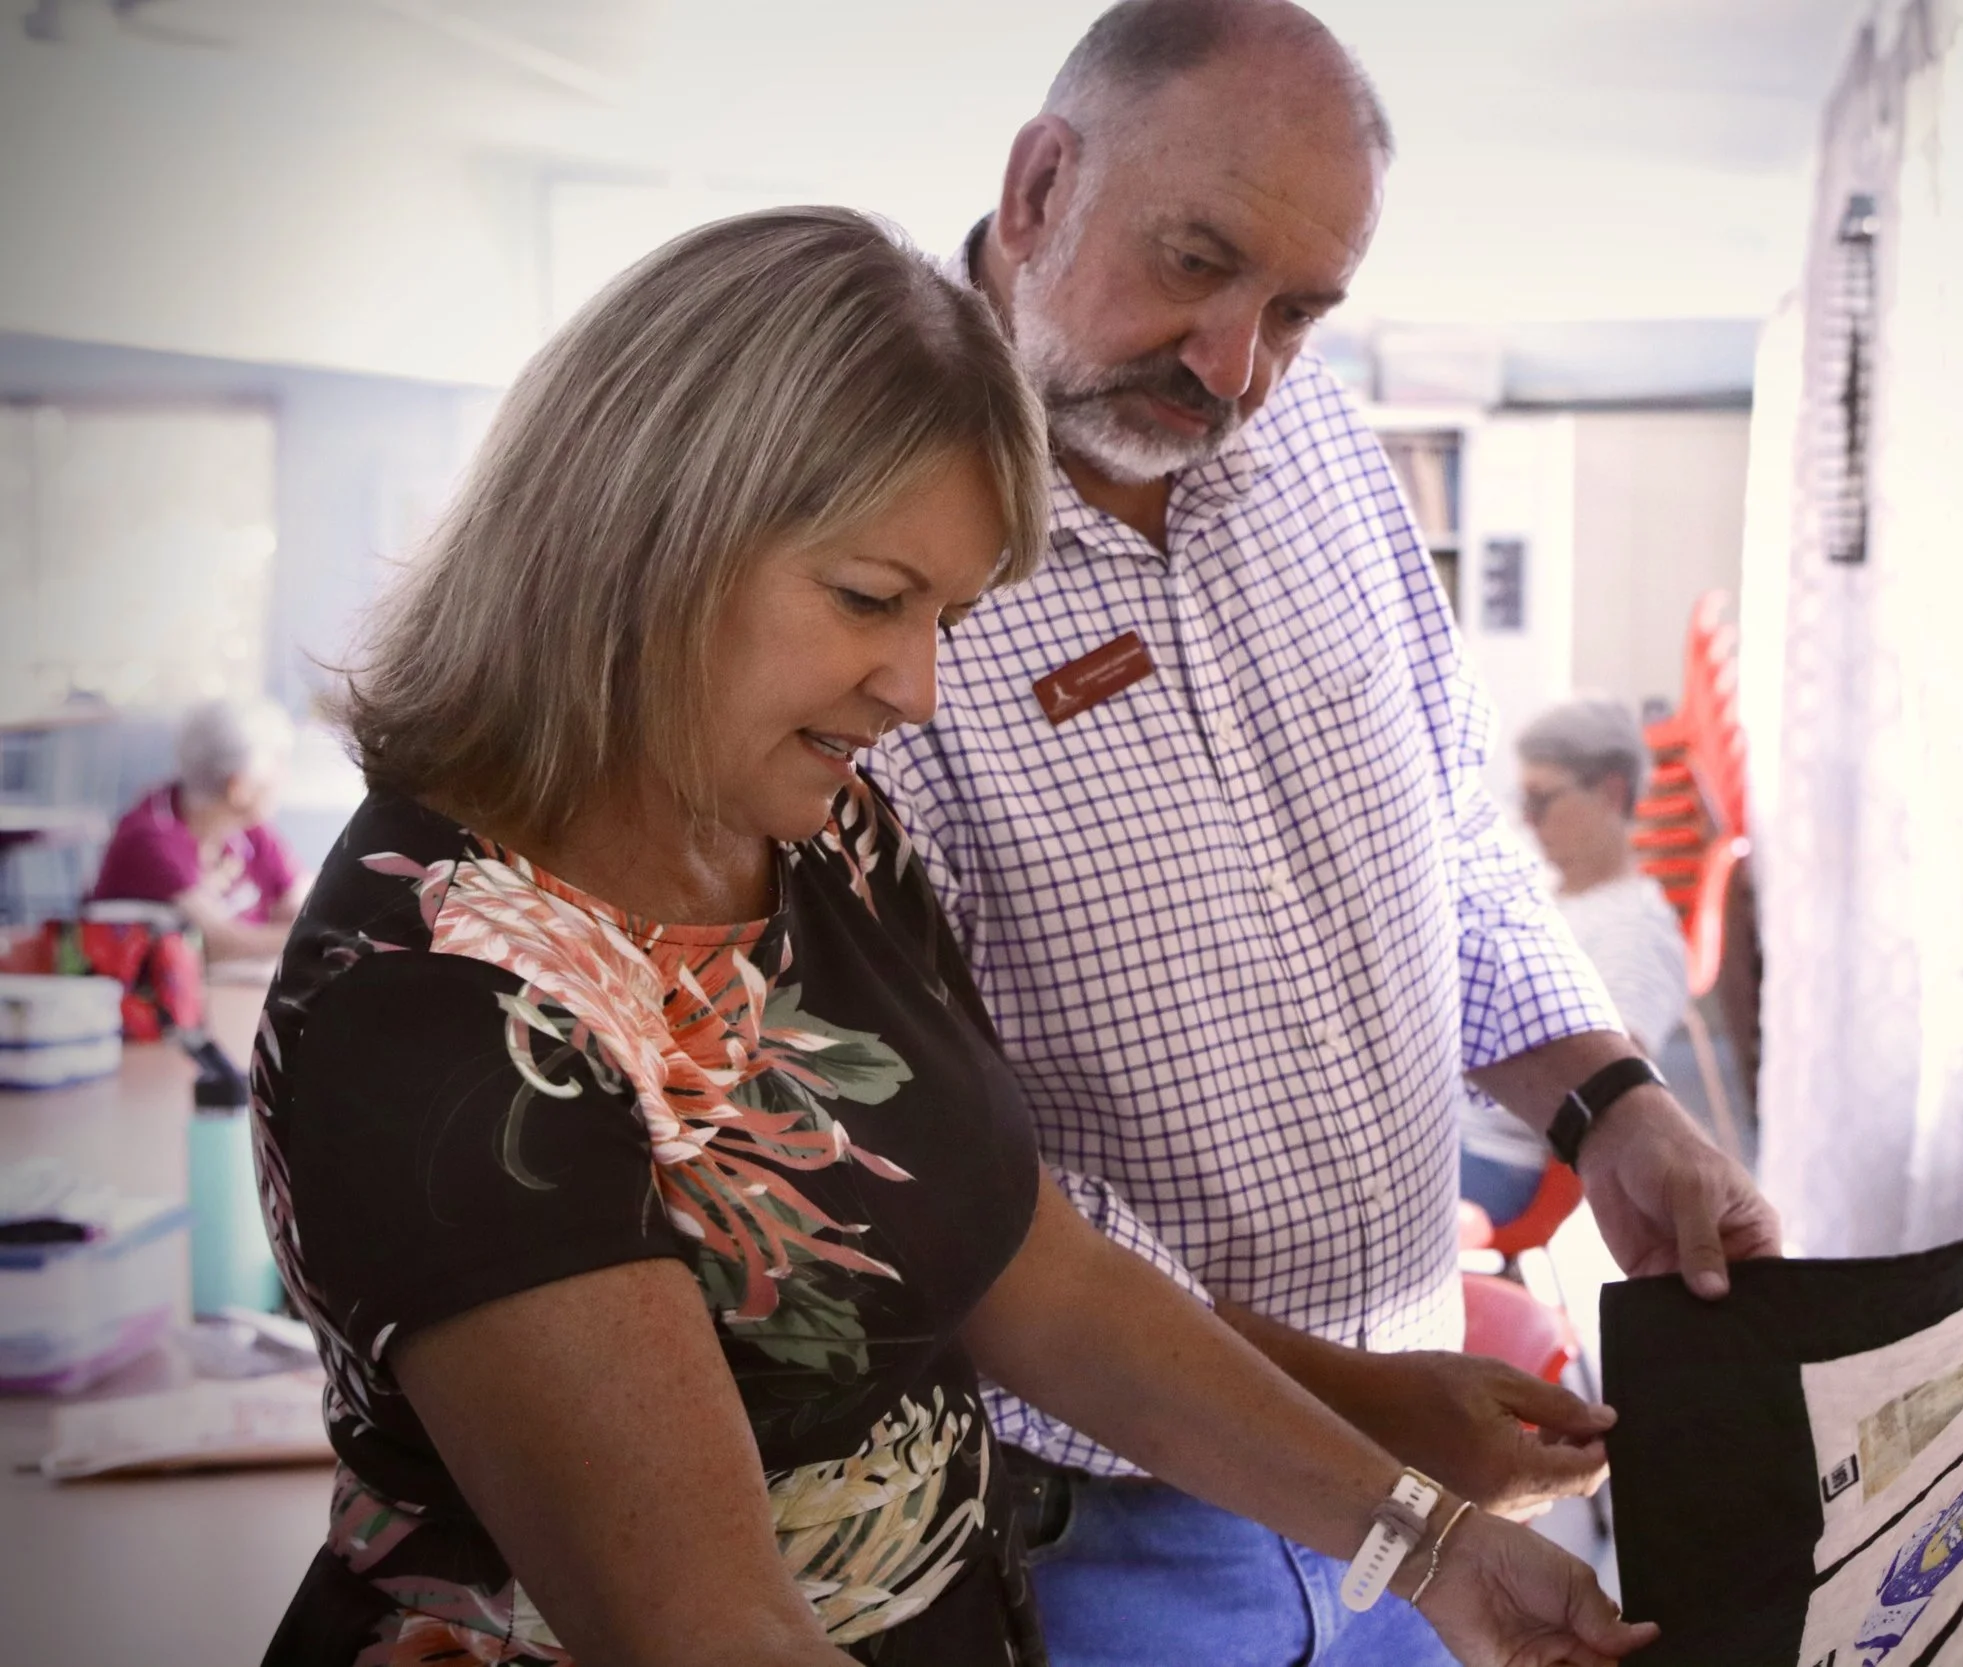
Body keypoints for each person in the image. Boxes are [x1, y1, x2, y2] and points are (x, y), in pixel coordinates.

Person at [252, 208, 1650, 1667]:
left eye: (950, 618)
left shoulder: (817, 835)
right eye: (870, 599)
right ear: (642, 538)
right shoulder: (438, 1003)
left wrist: (1424, 1542)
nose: (916, 688)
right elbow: (710, 1629)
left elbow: (1037, 1273)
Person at [867, 4, 1783, 1662]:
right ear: (1040, 186)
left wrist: (1609, 1101)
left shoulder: (1316, 438)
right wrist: (1359, 1417)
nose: (1235, 367)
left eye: (1298, 309)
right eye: (1195, 261)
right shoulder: (872, 552)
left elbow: (1452, 837)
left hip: (1420, 1473)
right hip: (1115, 1533)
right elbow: (945, 1181)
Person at [1459, 700, 1694, 1224]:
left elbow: (1612, 1100)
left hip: (1501, 1162)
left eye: (1542, 799)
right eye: (1524, 799)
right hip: (1456, 1135)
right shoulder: (1543, 890)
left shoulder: (1636, 932)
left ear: (1610, 793)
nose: (1527, 818)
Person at [88, 696, 308, 961]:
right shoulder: (151, 838)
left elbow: (299, 901)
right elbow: (221, 944)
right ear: (238, 787)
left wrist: (306, 922)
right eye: (279, 764)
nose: (285, 777)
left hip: (235, 981)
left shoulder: (248, 828)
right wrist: (312, 940)